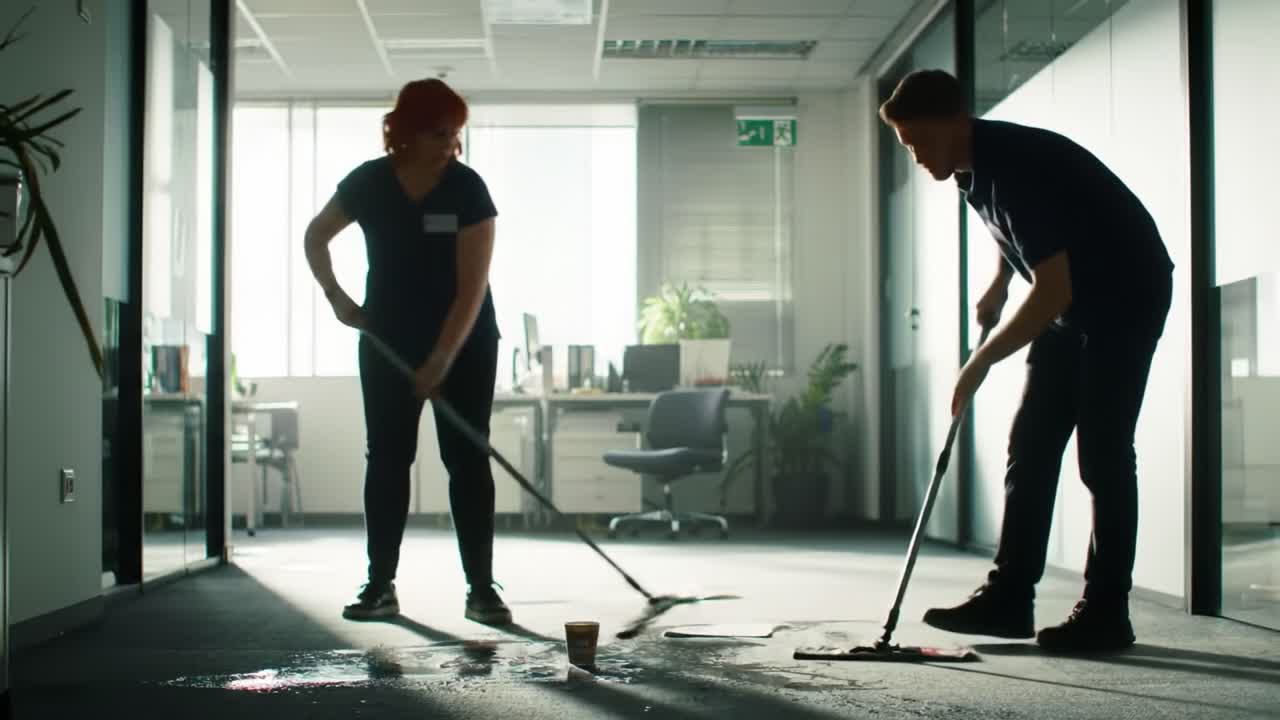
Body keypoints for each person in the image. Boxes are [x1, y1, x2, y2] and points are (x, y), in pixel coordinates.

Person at [878, 69, 1174, 652]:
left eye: (920, 142)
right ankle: (1009, 597)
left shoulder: (1017, 167)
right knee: (1032, 444)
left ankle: (1107, 611)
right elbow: (1025, 235)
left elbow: (1053, 289)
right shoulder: (970, 169)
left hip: (1124, 294)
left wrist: (980, 362)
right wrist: (1000, 281)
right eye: (907, 146)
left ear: (954, 123)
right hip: (1073, 300)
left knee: (1104, 453)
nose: (917, 157)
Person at [303, 78, 511, 626]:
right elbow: (315, 236)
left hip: (465, 343)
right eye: (439, 133)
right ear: (407, 131)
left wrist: (441, 360)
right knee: (388, 458)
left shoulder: (467, 190)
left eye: (455, 133)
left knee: (467, 458)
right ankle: (380, 584)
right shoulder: (369, 182)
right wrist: (337, 298)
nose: (451, 145)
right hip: (387, 341)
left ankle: (482, 589)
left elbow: (471, 291)